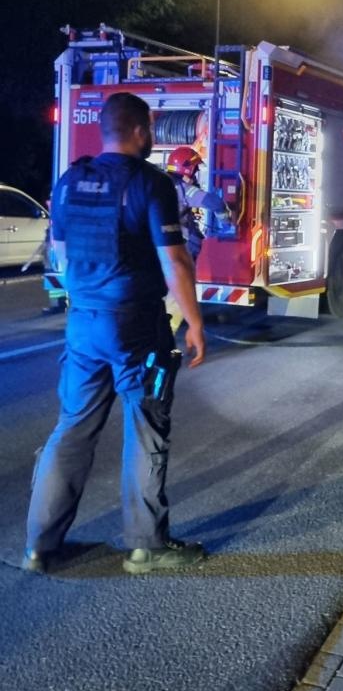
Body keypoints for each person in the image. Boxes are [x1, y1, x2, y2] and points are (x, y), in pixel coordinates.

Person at [22, 92, 207, 575]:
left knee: (72, 429)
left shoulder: (69, 182)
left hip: (82, 323)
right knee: (146, 426)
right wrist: (195, 321)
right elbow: (175, 260)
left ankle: (40, 548)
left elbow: (60, 253)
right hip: (135, 326)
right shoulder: (151, 183)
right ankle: (145, 547)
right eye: (152, 129)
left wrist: (88, 296)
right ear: (142, 130)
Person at [164, 145, 233, 332]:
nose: (195, 174)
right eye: (194, 169)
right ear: (187, 168)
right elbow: (215, 202)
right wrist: (226, 221)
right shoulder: (183, 188)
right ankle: (166, 338)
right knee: (177, 297)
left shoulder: (160, 183)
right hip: (180, 249)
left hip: (155, 249)